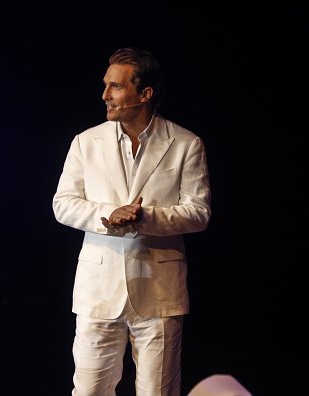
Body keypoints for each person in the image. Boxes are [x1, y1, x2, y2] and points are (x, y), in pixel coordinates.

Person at [52, 47, 212, 396]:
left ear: (145, 93)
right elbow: (62, 204)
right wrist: (109, 215)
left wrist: (144, 218)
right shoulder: (86, 142)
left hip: (159, 290)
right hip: (99, 288)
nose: (105, 95)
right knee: (90, 390)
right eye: (106, 85)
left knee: (157, 391)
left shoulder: (185, 143)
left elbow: (198, 213)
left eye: (116, 87)